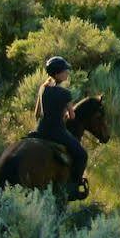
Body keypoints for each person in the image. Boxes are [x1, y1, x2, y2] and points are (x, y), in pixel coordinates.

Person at [34, 56, 88, 201]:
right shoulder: (65, 94)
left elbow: (37, 114)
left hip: (41, 131)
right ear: (58, 74)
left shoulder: (42, 89)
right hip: (57, 132)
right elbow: (72, 116)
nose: (67, 73)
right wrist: (62, 115)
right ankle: (73, 186)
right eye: (65, 71)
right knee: (82, 155)